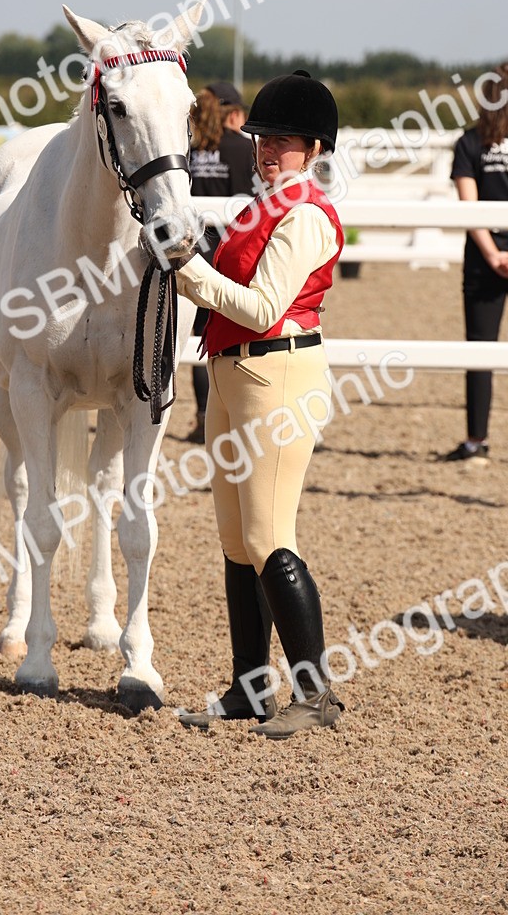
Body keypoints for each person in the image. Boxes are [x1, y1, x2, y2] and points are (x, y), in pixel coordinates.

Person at [175, 70, 345, 740]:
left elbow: (263, 308)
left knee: (270, 536)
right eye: (264, 140)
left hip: (278, 376)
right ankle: (250, 688)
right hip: (230, 377)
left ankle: (315, 692)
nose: (268, 151)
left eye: (283, 143)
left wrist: (188, 269)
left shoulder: (303, 216)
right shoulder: (260, 208)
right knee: (235, 543)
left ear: (314, 149)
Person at [445, 63, 508, 462]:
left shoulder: (468, 142)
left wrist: (492, 253)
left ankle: (476, 441)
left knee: (480, 351)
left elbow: (469, 208)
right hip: (494, 257)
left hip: (485, 260)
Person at [186, 82, 255, 443]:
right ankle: (235, 413)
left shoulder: (187, 150)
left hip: (194, 252)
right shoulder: (244, 150)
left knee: (198, 336)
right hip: (231, 252)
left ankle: (203, 418)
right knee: (236, 332)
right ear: (232, 113)